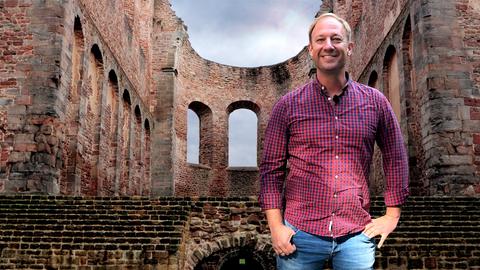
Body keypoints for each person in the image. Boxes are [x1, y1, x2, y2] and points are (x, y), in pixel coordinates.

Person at [259, 12, 409, 270]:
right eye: (321, 40)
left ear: (349, 48)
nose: (328, 45)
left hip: (356, 232)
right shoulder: (288, 106)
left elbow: (395, 155)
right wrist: (276, 227)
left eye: (336, 39)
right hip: (299, 233)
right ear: (311, 49)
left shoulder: (375, 102)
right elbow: (270, 170)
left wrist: (392, 214)